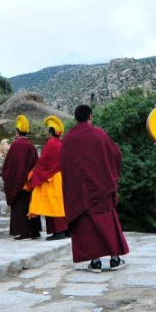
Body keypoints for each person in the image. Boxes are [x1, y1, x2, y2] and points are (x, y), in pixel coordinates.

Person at [61, 105, 129, 272]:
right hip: (102, 188)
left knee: (87, 226)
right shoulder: (99, 134)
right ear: (90, 116)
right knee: (108, 222)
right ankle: (114, 259)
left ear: (76, 118)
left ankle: (95, 262)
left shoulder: (68, 139)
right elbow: (116, 154)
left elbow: (65, 164)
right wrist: (110, 176)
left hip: (81, 192)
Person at [27, 116, 68, 241]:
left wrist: (35, 173)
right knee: (58, 203)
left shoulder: (51, 143)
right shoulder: (60, 143)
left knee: (53, 203)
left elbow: (44, 161)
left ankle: (59, 231)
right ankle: (61, 230)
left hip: (51, 178)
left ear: (51, 132)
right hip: (59, 176)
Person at [3, 115, 41, 240]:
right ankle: (35, 230)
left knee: (20, 206)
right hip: (29, 181)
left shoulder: (16, 145)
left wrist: (9, 177)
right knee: (31, 204)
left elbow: (11, 166)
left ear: (17, 131)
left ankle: (24, 231)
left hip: (19, 183)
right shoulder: (31, 145)